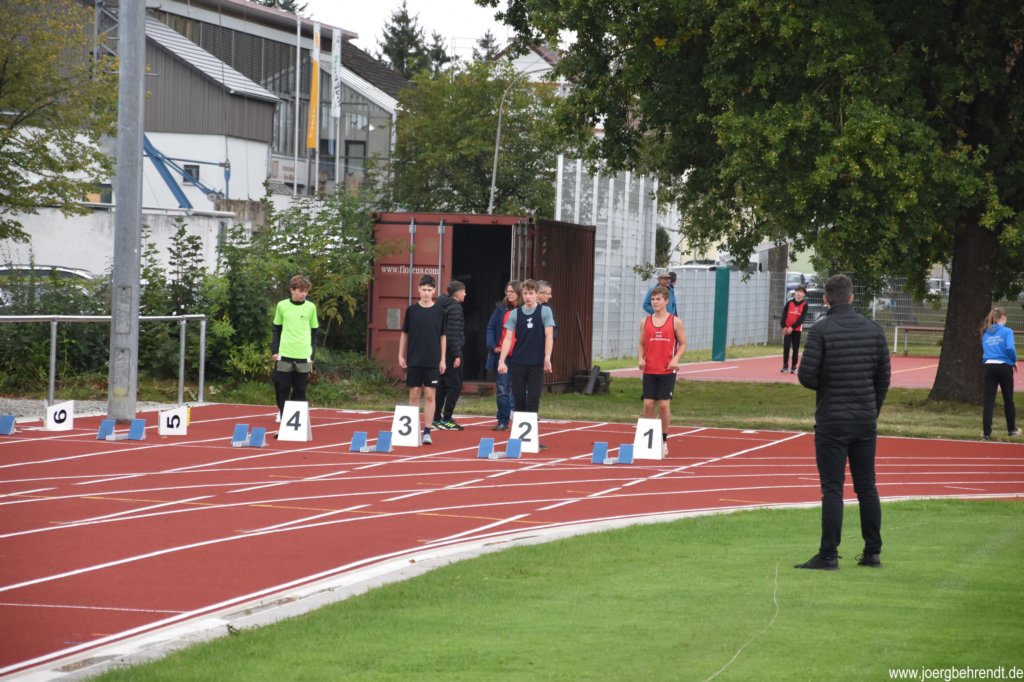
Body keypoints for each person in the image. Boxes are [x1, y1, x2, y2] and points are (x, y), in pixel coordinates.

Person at [796, 273, 891, 570]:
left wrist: (830, 386)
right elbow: (883, 378)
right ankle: (872, 552)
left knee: (833, 489)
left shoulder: (821, 330)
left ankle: (828, 554)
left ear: (826, 299)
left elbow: (806, 375)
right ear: (851, 297)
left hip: (832, 420)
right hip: (864, 419)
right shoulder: (874, 330)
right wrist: (871, 408)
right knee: (867, 487)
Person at [498, 280, 554, 442]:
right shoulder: (515, 313)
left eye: (531, 293)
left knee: (533, 399)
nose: (528, 297)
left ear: (537, 294)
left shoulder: (544, 312)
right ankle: (519, 438)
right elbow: (508, 338)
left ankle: (531, 439)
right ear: (522, 295)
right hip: (518, 362)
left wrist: (547, 358)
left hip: (536, 363)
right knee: (519, 399)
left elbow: (549, 335)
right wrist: (502, 361)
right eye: (525, 293)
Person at [638, 286, 687, 456]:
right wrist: (640, 358)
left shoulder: (675, 322)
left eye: (658, 299)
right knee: (648, 404)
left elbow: (683, 343)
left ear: (666, 301)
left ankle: (663, 440)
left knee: (664, 405)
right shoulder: (645, 321)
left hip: (667, 370)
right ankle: (649, 442)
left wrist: (676, 359)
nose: (655, 302)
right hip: (650, 369)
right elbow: (641, 343)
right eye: (653, 299)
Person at [398, 275, 446, 445]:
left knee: (430, 395)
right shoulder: (411, 310)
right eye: (423, 289)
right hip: (414, 359)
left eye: (429, 290)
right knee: (414, 394)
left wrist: (443, 359)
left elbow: (443, 336)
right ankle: (412, 430)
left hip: (432, 360)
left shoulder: (440, 312)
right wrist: (401, 355)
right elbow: (405, 333)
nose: (426, 293)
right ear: (418, 289)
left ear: (434, 291)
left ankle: (427, 431)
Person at [271, 275, 319, 422]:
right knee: (282, 387)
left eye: (306, 291)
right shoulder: (282, 306)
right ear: (292, 290)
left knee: (300, 389)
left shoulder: (311, 307)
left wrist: (312, 353)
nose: (304, 294)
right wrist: (274, 350)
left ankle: (294, 416)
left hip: (303, 354)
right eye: (300, 291)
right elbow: (277, 329)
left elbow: (314, 332)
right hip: (285, 352)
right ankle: (283, 413)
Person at [485, 280, 520, 431]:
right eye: (507, 291)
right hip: (503, 356)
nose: (509, 294)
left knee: (520, 389)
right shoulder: (500, 308)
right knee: (502, 389)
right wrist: (493, 346)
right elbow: (491, 327)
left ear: (518, 293)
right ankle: (502, 421)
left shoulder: (525, 309)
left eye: (512, 291)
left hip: (520, 356)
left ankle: (517, 416)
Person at [980, 308, 1019, 440]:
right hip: (1004, 366)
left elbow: (985, 351)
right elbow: (1010, 348)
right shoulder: (1007, 331)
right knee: (1008, 399)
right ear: (1002, 318)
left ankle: (986, 432)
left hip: (989, 366)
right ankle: (1011, 429)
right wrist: (1013, 360)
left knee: (988, 401)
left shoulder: (985, 333)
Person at [433, 281, 467, 431]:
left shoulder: (441, 304)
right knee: (455, 385)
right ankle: (446, 418)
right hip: (450, 352)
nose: (465, 294)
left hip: (440, 350)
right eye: (464, 291)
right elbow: (452, 333)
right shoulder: (455, 308)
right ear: (457, 293)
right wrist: (457, 354)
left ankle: (435, 417)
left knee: (441, 385)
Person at [780, 285, 809, 373]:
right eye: (797, 291)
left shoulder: (805, 304)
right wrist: (784, 326)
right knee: (786, 346)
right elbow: (784, 315)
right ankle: (785, 366)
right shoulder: (789, 303)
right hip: (787, 329)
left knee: (795, 348)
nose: (798, 293)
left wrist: (792, 327)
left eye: (800, 292)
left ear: (804, 294)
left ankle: (794, 367)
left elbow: (802, 318)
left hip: (796, 329)